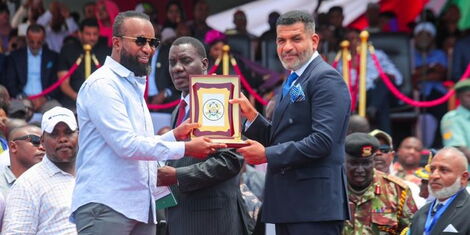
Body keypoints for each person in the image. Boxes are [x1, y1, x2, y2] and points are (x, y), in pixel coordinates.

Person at [71, 11, 225, 234]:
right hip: (107, 205)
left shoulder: (131, 83)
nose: (148, 49)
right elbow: (127, 145)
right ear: (116, 42)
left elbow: (139, 144)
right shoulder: (103, 84)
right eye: (140, 41)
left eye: (152, 42)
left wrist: (174, 135)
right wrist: (185, 147)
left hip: (140, 207)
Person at [232, 10, 351, 234]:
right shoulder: (296, 77)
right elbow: (281, 138)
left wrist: (266, 155)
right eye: (281, 40)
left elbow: (322, 141)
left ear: (314, 40)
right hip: (290, 203)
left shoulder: (325, 78)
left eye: (296, 38)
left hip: (314, 206)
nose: (287, 47)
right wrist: (251, 116)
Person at [157, 36, 251, 235]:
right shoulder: (178, 110)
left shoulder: (216, 98)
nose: (177, 68)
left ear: (204, 63)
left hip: (211, 222)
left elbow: (231, 160)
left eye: (185, 60)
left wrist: (176, 176)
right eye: (172, 62)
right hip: (180, 219)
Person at [2, 107, 78, 234]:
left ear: (79, 135)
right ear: (42, 140)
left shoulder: (94, 173)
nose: (63, 139)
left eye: (68, 132)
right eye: (54, 134)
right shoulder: (28, 184)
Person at [343, 132, 417, 234]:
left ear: (373, 161)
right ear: (344, 161)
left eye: (366, 163)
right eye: (354, 163)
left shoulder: (397, 191)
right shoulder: (332, 189)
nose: (360, 169)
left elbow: (413, 230)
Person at [409, 147, 470, 234]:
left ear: (463, 178)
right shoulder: (421, 212)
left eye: (444, 170)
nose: (434, 175)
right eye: (432, 169)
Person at [57, 18, 110, 111]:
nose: (92, 38)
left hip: (101, 102)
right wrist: (78, 98)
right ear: (79, 33)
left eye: (95, 34)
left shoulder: (106, 51)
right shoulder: (67, 50)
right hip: (72, 101)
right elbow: (64, 83)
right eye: (88, 34)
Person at [5, 24, 60, 112]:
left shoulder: (53, 57)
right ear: (26, 38)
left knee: (57, 113)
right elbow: (10, 82)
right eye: (31, 42)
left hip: (46, 100)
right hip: (21, 98)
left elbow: (57, 82)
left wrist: (45, 98)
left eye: (39, 42)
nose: (35, 45)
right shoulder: (15, 57)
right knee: (15, 112)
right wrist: (22, 97)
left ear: (44, 39)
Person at [0, 124, 44, 197]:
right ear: (13, 147)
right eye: (35, 141)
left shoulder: (53, 181)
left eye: (45, 143)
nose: (42, 147)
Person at [441, 80, 470, 163]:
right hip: (465, 174)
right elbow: (459, 151)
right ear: (458, 96)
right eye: (469, 95)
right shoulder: (451, 118)